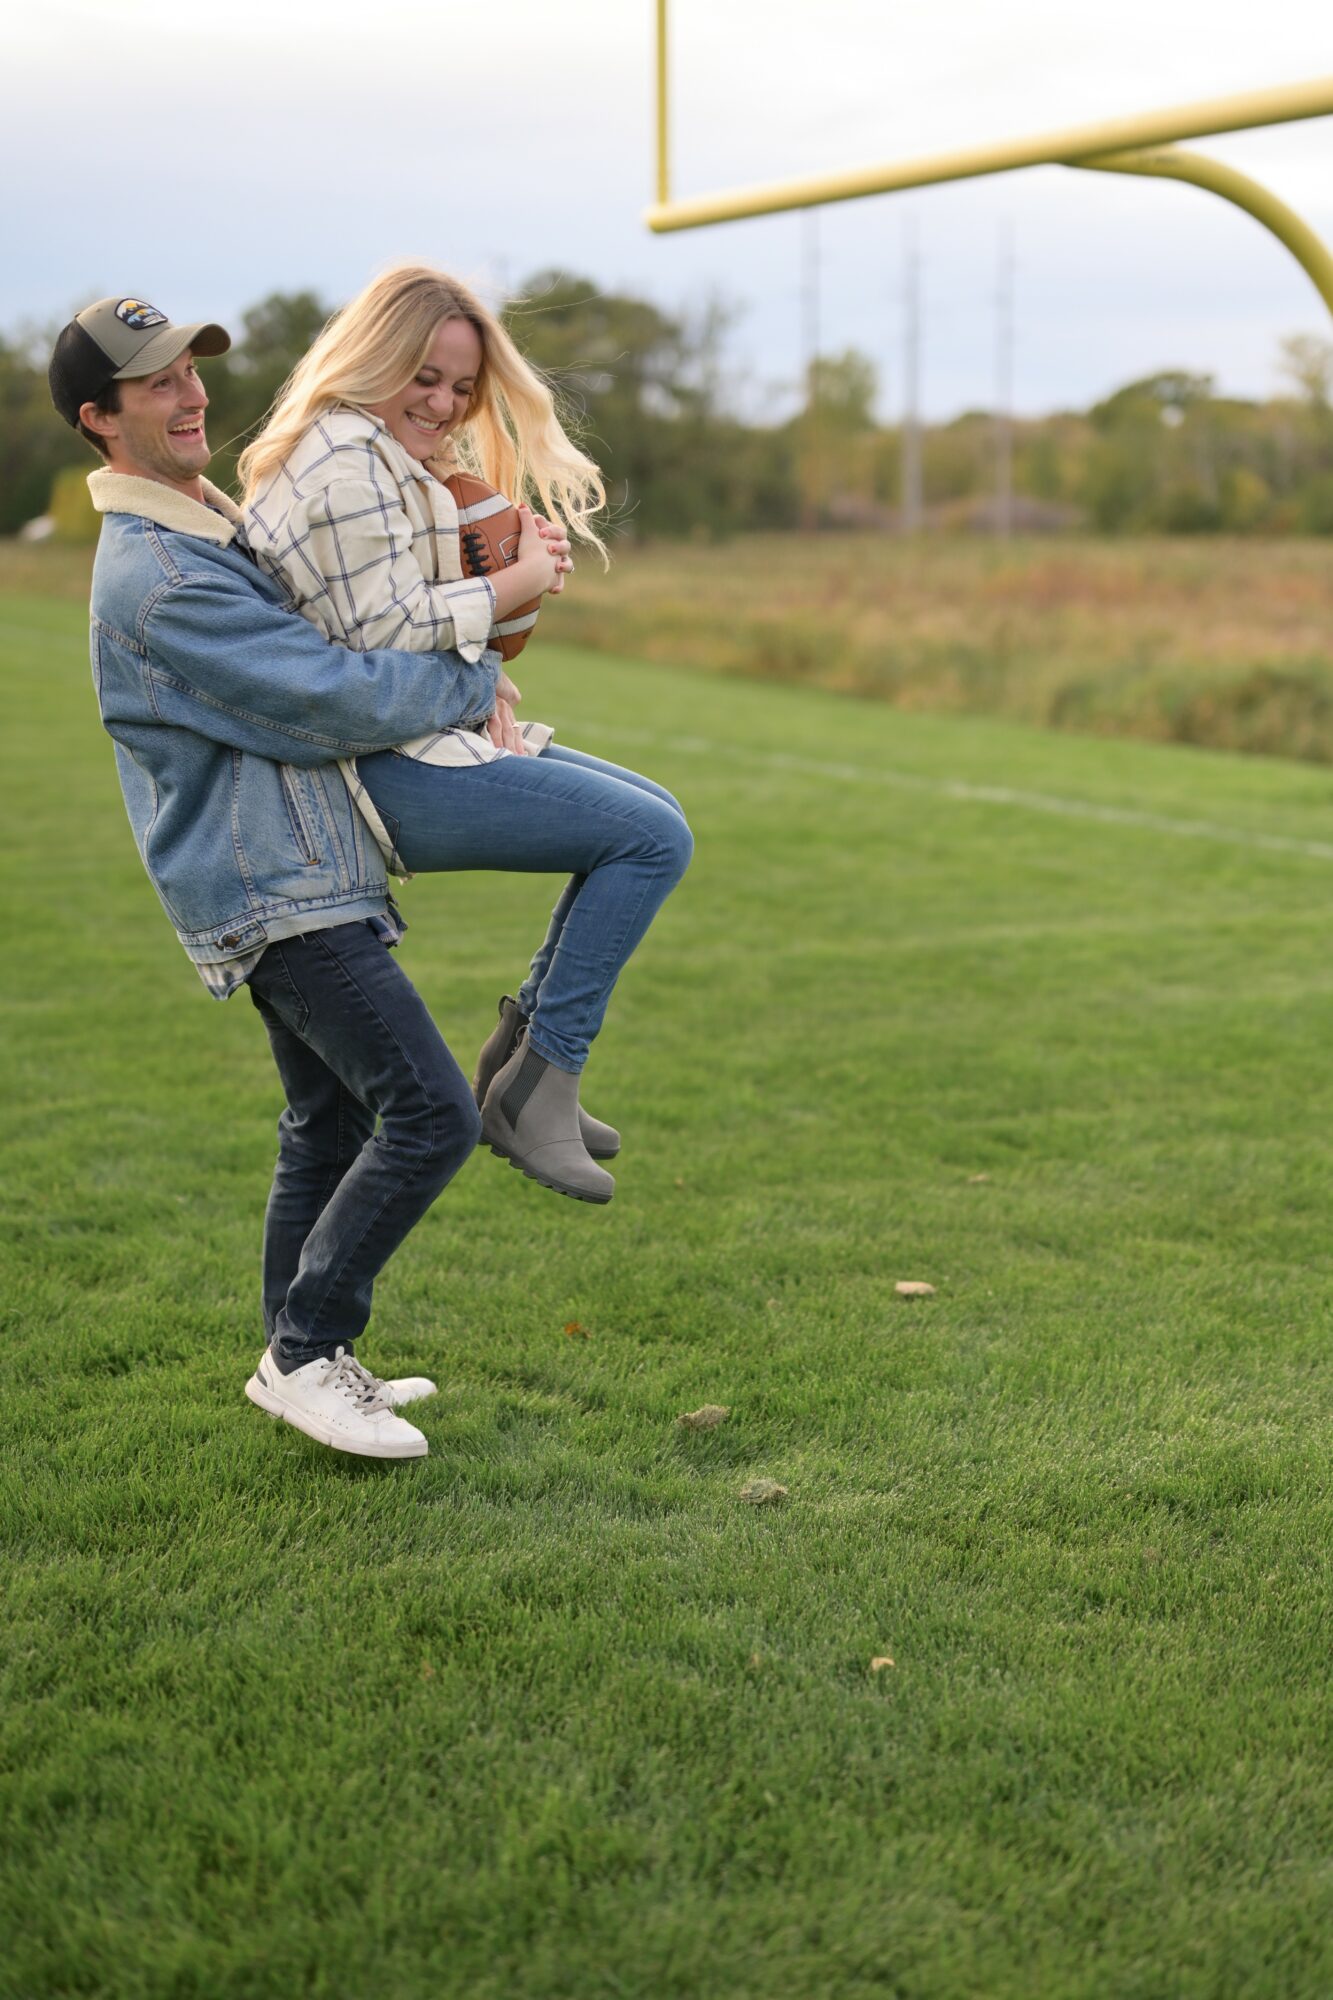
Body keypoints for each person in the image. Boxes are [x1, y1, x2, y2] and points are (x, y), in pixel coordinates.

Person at [48, 294, 519, 1463]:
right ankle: (304, 1350)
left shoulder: (207, 522)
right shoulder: (159, 572)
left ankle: (305, 1357)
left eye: (190, 371)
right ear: (98, 417)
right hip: (273, 885)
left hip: (302, 866)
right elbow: (332, 697)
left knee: (330, 1119)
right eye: (156, 382)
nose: (190, 393)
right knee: (433, 1111)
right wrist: (476, 672)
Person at [240, 265, 693, 1207]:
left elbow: (389, 618)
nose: (444, 404)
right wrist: (517, 582)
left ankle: (523, 1066)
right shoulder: (345, 459)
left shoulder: (372, 454)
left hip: (411, 732)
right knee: (649, 839)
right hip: (375, 768)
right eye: (424, 377)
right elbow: (388, 629)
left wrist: (494, 622)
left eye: (460, 386)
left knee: (654, 815)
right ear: (372, 358)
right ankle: (538, 1080)